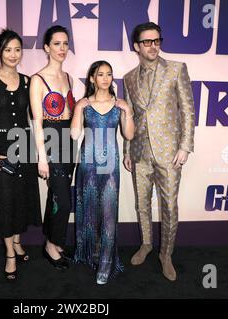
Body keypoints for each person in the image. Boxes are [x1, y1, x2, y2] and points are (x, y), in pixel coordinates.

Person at [122, 22, 195, 281]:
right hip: (140, 153)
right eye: (147, 42)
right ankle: (146, 244)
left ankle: (166, 254)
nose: (153, 46)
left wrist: (186, 146)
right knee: (142, 204)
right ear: (136, 46)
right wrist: (128, 149)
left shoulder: (176, 69)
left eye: (157, 41)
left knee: (169, 207)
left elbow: (187, 109)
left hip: (169, 154)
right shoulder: (129, 78)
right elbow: (129, 116)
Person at [0, 29, 41, 280]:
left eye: (17, 49)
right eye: (8, 50)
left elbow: (33, 117)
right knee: (5, 202)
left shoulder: (27, 81)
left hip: (22, 147)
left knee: (20, 200)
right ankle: (10, 254)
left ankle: (18, 242)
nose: (13, 55)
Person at [71, 61, 135, 285]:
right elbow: (74, 135)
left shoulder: (120, 104)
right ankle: (91, 252)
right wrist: (78, 108)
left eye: (109, 74)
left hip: (110, 167)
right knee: (89, 211)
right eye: (101, 74)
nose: (106, 78)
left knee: (108, 214)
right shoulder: (84, 104)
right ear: (92, 78)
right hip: (87, 165)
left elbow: (128, 135)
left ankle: (106, 263)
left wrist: (128, 112)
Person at [29, 25, 76, 270]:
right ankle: (52, 245)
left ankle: (52, 240)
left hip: (69, 139)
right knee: (64, 201)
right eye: (56, 44)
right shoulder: (37, 80)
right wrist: (42, 157)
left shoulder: (68, 77)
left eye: (65, 43)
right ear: (47, 48)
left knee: (57, 195)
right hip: (50, 139)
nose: (62, 48)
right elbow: (37, 121)